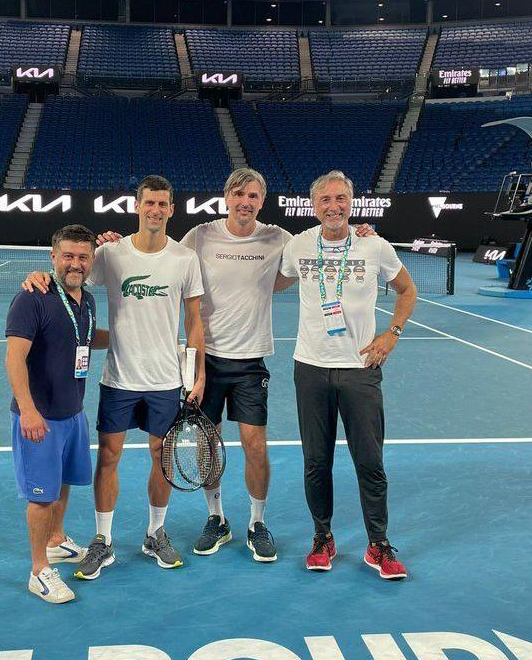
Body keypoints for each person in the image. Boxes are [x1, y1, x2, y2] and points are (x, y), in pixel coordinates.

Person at [61, 168, 377, 564]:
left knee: (253, 445)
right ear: (227, 197)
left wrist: (358, 229)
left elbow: (320, 243)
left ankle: (256, 523)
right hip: (203, 361)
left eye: (254, 196)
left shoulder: (280, 239)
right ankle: (217, 518)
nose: (246, 201)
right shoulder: (198, 237)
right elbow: (100, 271)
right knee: (208, 447)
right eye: (239, 194)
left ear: (262, 201)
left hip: (250, 362)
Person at [278, 170, 418, 581]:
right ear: (314, 205)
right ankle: (323, 538)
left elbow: (408, 291)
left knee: (370, 462)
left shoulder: (374, 246)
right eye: (325, 200)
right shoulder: (299, 245)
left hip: (361, 369)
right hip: (311, 368)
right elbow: (271, 283)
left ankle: (378, 544)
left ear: (351, 202)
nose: (334, 206)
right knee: (316, 462)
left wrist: (391, 335)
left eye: (340, 198)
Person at [73, 175, 206, 579]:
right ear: (137, 206)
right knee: (108, 458)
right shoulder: (111, 254)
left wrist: (196, 374)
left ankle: (154, 533)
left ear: (171, 209)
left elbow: (195, 320)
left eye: (163, 203)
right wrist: (39, 277)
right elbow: (73, 277)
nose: (156, 210)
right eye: (149, 202)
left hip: (166, 381)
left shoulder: (184, 259)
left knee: (160, 458)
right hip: (119, 379)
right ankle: (103, 540)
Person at [5, 224, 109, 604]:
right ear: (53, 257)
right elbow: (14, 357)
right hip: (40, 419)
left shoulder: (88, 301)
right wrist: (29, 412)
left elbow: (87, 337)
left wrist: (133, 337)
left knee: (64, 483)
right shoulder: (32, 298)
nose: (75, 263)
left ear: (91, 260)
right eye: (68, 255)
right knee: (41, 497)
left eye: (83, 257)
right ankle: (38, 571)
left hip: (72, 413)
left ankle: (56, 540)